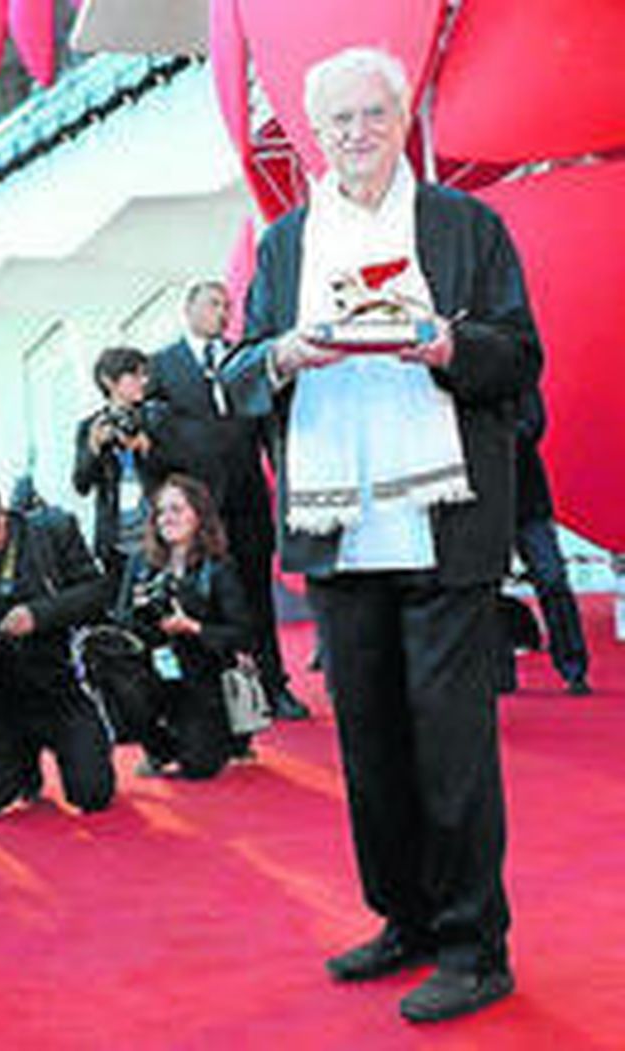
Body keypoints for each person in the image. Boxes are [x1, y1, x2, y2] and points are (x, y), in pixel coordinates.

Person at [222, 46, 538, 1023]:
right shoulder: (282, 245)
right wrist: (280, 352)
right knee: (368, 745)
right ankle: (402, 915)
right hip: (336, 522)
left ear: (400, 118)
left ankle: (474, 944)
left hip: (442, 522)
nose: (354, 135)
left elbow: (521, 357)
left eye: (369, 115)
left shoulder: (463, 225)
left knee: (452, 746)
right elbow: (235, 376)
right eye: (336, 123)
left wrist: (447, 343)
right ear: (313, 136)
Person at [147, 281, 309, 721]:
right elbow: (153, 443)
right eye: (213, 304)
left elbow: (269, 423)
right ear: (189, 309)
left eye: (227, 305)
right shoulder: (161, 366)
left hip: (249, 499)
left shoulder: (244, 359)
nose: (223, 313)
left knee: (257, 598)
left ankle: (274, 688)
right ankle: (214, 701)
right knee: (204, 602)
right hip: (197, 511)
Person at [0, 479, 116, 818]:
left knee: (94, 795)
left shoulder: (52, 532)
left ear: (0, 516)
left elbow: (97, 593)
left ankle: (92, 737)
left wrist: (40, 615)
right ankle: (23, 762)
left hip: (60, 683)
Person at [113, 475, 255, 779]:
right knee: (114, 673)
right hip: (154, 668)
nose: (167, 519)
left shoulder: (218, 567)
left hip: (202, 677)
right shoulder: (139, 563)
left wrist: (193, 626)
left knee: (199, 768)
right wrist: (145, 615)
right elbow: (120, 623)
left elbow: (243, 634)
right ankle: (159, 748)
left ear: (199, 515)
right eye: (161, 512)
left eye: (177, 509)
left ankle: (222, 737)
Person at [512, 388, 590, 695]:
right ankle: (493, 669)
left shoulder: (519, 372)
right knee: (480, 589)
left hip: (528, 499)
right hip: (481, 502)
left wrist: (489, 437)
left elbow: (533, 425)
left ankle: (574, 667)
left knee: (553, 580)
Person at [72, 346, 156, 579]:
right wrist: (94, 448)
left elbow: (177, 468)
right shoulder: (91, 426)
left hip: (155, 528)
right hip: (116, 537)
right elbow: (81, 485)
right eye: (135, 375)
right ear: (109, 381)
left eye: (144, 374)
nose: (144, 381)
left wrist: (145, 447)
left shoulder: (155, 416)